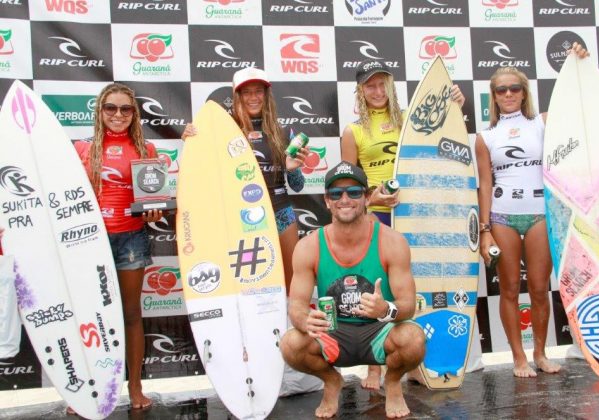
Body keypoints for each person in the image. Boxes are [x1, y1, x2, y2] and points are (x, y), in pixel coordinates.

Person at [340, 59, 465, 389]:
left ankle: (416, 360)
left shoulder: (411, 120)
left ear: (390, 86)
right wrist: (374, 198)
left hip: (416, 213)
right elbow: (346, 190)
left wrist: (454, 104)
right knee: (376, 286)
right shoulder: (352, 131)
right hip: (377, 214)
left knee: (415, 286)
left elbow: (441, 141)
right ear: (360, 91)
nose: (377, 91)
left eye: (382, 84)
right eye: (370, 85)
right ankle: (372, 365)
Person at [475, 43, 589, 378]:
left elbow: (579, 107)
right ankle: (518, 358)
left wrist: (580, 65)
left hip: (540, 213)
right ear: (493, 97)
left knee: (540, 288)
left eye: (514, 88)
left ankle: (539, 353)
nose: (508, 94)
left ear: (524, 94)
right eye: (501, 90)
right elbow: (484, 184)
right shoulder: (485, 136)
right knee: (509, 289)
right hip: (502, 217)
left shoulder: (542, 122)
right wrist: (484, 230)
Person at [280, 161, 425, 418]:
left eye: (354, 192)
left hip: (379, 332)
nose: (344, 199)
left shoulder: (392, 241)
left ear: (367, 197)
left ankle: (391, 382)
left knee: (413, 339)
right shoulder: (309, 246)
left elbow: (408, 305)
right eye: (336, 194)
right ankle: (331, 381)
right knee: (291, 344)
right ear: (327, 201)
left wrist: (386, 309)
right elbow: (297, 305)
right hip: (334, 334)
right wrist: (305, 319)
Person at [73, 83, 163, 409]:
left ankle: (135, 388)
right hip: (89, 241)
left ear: (134, 113)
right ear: (100, 110)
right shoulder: (82, 148)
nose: (118, 115)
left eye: (126, 109)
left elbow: (154, 202)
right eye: (111, 108)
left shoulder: (146, 150)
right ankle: (84, 390)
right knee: (88, 315)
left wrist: (155, 209)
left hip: (131, 238)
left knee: (130, 314)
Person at [183, 67, 307, 293]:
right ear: (237, 97)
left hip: (281, 213)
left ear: (266, 95)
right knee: (250, 288)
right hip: (241, 218)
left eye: (258, 91)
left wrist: (292, 169)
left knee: (292, 287)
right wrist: (192, 143)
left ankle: (292, 328)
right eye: (246, 92)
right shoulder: (222, 133)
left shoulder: (284, 132)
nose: (253, 98)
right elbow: (203, 178)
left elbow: (298, 185)